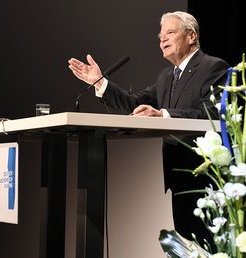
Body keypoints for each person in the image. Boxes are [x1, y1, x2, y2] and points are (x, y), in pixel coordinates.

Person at [68, 11, 229, 247]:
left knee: (211, 247)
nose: (162, 40)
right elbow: (134, 105)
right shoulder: (166, 76)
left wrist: (163, 114)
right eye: (159, 36)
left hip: (204, 176)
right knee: (187, 247)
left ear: (192, 35)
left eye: (170, 33)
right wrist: (101, 83)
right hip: (178, 174)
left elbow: (212, 114)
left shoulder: (213, 67)